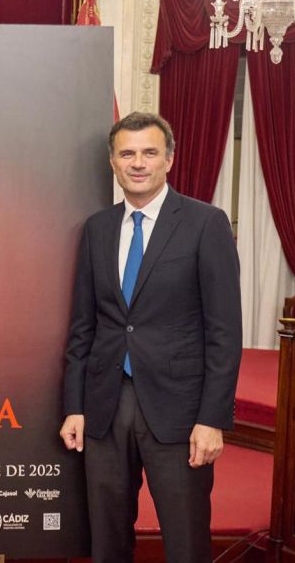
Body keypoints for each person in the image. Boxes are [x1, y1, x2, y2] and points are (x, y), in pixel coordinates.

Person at [59, 112, 242, 562]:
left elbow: (224, 332)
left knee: (185, 543)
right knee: (107, 543)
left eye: (149, 152)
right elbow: (83, 326)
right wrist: (75, 406)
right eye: (127, 154)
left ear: (169, 160)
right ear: (113, 163)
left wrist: (213, 418)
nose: (138, 163)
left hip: (180, 411)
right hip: (105, 406)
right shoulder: (97, 229)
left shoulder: (206, 223)